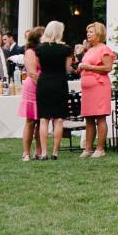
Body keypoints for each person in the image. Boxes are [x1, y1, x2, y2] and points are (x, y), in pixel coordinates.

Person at [77, 22, 115, 157]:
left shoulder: (104, 49)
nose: (88, 34)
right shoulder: (89, 50)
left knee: (100, 118)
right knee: (88, 118)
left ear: (99, 33)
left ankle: (100, 149)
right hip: (87, 89)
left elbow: (107, 68)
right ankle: (88, 148)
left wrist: (90, 67)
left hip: (99, 87)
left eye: (91, 32)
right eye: (87, 32)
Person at [35, 20, 72, 159]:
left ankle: (44, 152)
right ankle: (55, 152)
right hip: (59, 82)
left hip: (44, 82)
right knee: (59, 119)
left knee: (44, 119)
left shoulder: (40, 49)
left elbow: (40, 66)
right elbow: (67, 69)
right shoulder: (66, 49)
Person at [17, 28, 44, 161]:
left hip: (44, 86)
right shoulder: (30, 52)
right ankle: (26, 152)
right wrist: (44, 85)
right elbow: (32, 73)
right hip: (33, 86)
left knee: (41, 120)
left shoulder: (44, 51)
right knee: (30, 121)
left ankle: (38, 150)